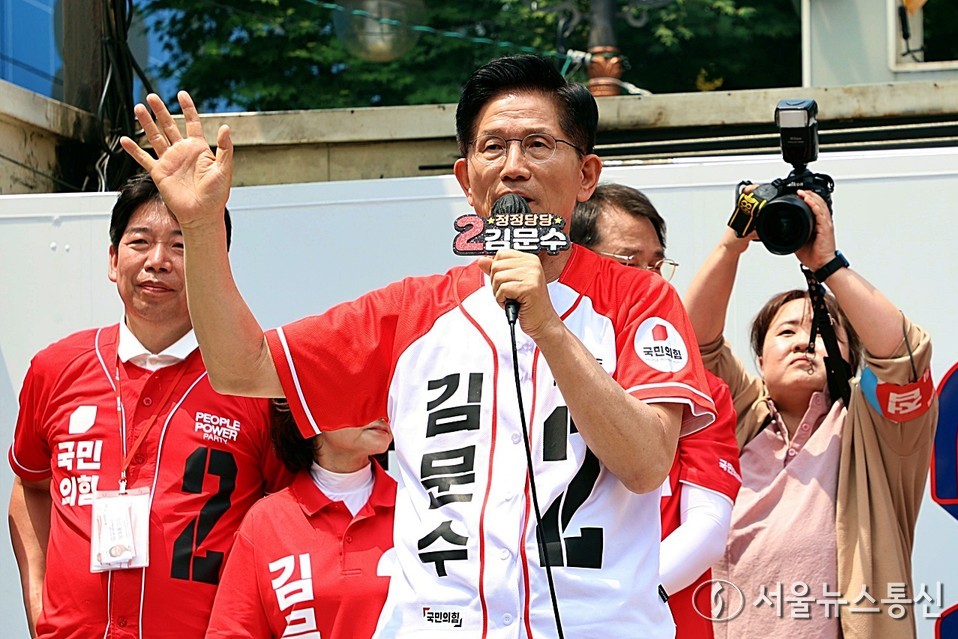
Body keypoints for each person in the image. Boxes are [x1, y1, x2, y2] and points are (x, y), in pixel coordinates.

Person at [120, 54, 719, 638]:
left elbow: (647, 465)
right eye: (492, 147)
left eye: (538, 145)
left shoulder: (638, 298)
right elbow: (241, 366)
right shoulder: (411, 312)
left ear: (586, 175)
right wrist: (201, 226)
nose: (513, 167)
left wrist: (549, 329)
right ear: (465, 179)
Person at [7, 174, 293, 639]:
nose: (157, 261)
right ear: (113, 259)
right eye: (140, 242)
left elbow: (294, 520)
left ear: (214, 267)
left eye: (181, 246)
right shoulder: (55, 369)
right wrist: (40, 609)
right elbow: (31, 486)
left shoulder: (255, 384)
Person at [683, 188, 937, 638]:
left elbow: (904, 356)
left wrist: (828, 265)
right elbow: (693, 344)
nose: (805, 341)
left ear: (849, 357)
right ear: (759, 360)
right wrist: (731, 243)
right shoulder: (736, 416)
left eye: (824, 332)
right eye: (786, 332)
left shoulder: (877, 433)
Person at [572, 183, 742, 639]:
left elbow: (707, 529)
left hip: (659, 620)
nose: (652, 280)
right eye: (630, 263)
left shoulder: (702, 389)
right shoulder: (521, 372)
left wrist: (612, 600)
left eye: (657, 264)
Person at [206, 401, 396, 638]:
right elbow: (232, 632)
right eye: (362, 392)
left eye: (385, 392)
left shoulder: (419, 511)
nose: (382, 408)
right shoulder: (265, 522)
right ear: (308, 405)